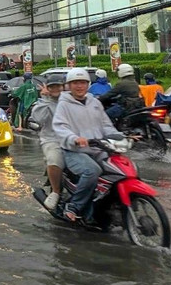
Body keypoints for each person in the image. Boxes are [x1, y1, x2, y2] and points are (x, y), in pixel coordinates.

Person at [53, 68, 124, 222]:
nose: (79, 86)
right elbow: (60, 127)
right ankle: (74, 206)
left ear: (88, 84)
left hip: (98, 149)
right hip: (74, 151)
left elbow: (106, 125)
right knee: (93, 170)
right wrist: (74, 138)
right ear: (69, 86)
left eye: (83, 83)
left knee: (119, 170)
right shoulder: (64, 105)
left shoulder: (95, 102)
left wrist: (120, 136)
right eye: (75, 83)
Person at [28, 75, 66, 210]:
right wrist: (45, 99)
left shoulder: (71, 100)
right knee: (54, 160)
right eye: (52, 87)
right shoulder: (43, 103)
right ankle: (55, 192)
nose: (56, 89)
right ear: (47, 88)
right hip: (52, 139)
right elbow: (37, 119)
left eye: (58, 86)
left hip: (74, 140)